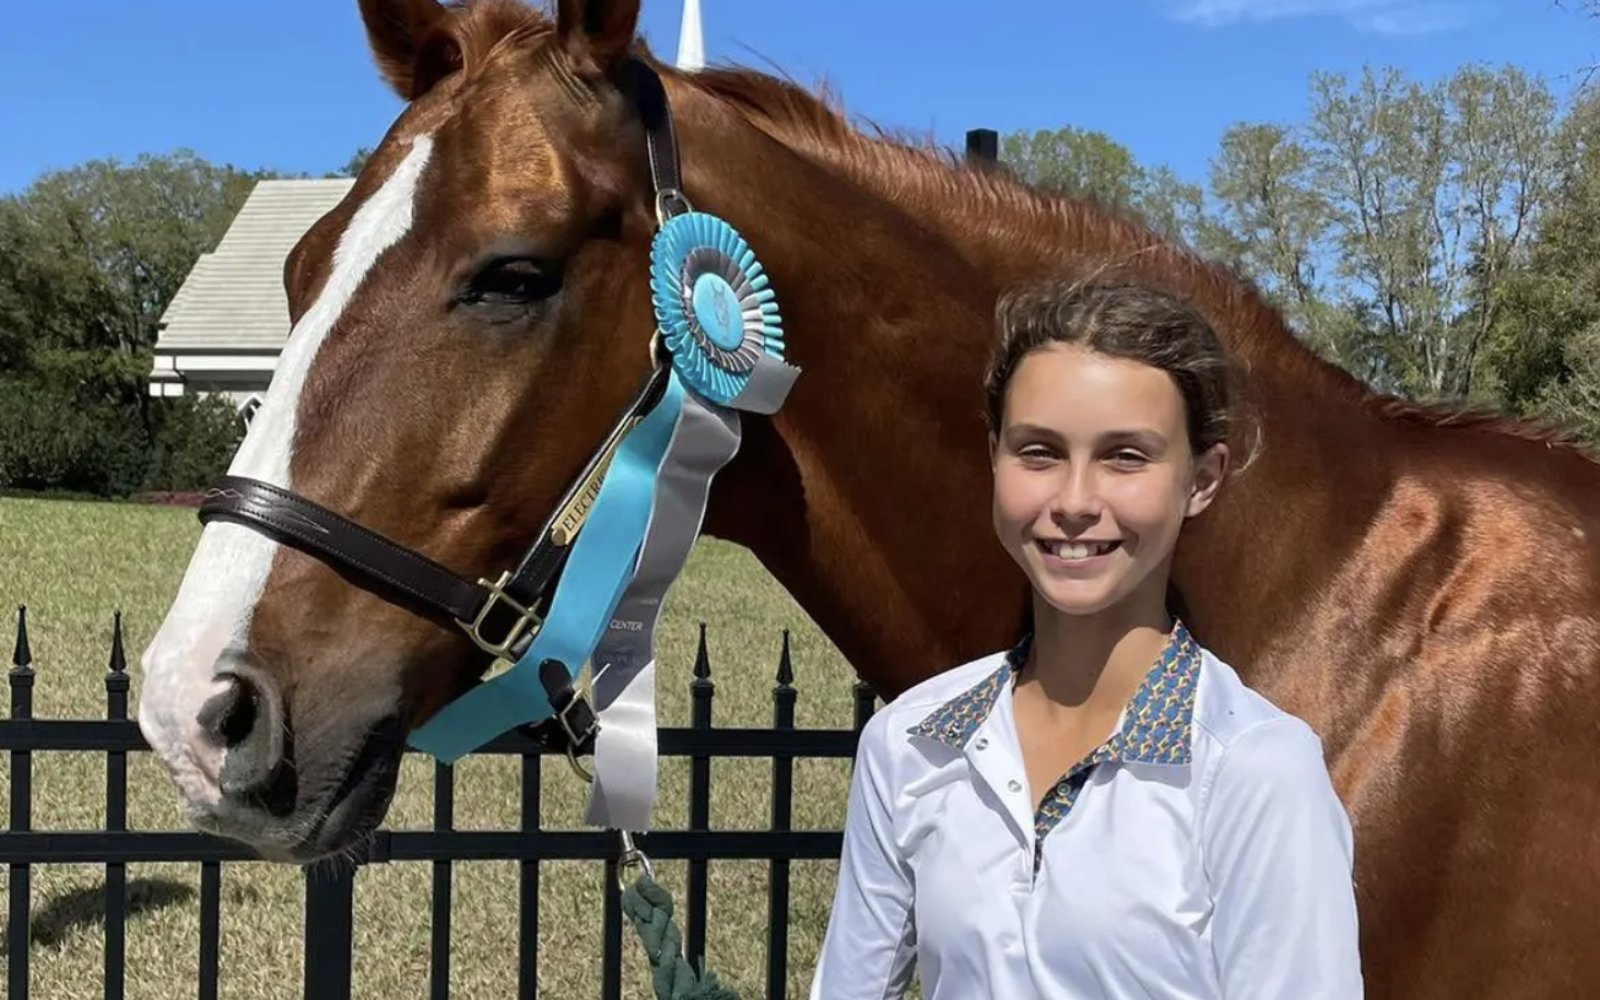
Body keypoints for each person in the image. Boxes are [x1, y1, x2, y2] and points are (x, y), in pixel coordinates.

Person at [809, 278, 1363, 999]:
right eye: (1039, 452)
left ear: (1202, 479)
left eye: (1125, 456)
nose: (1073, 501)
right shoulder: (910, 744)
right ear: (994, 457)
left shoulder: (1256, 770)